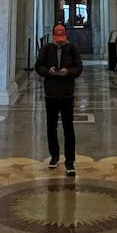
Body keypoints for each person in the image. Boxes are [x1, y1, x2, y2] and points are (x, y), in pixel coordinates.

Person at [34, 22, 83, 176]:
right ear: (54, 36)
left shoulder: (72, 48)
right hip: (51, 94)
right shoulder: (47, 48)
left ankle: (70, 161)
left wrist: (68, 72)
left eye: (62, 37)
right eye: (58, 37)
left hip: (67, 94)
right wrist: (48, 71)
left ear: (66, 35)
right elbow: (38, 66)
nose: (60, 40)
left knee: (68, 128)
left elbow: (79, 68)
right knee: (51, 127)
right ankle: (54, 156)